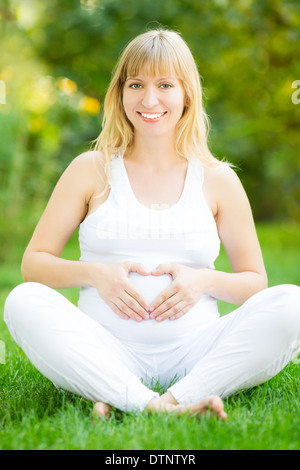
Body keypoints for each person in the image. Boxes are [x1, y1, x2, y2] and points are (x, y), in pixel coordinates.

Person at [4, 29, 300, 421]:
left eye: (165, 85)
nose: (150, 99)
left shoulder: (218, 179)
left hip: (197, 352)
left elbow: (254, 282)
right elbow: (34, 266)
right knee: (22, 302)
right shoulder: (90, 170)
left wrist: (203, 281)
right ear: (120, 92)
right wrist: (97, 275)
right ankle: (153, 404)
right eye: (136, 84)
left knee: (293, 303)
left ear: (186, 94)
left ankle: (156, 398)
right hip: (107, 347)